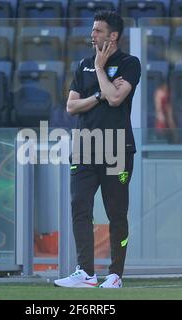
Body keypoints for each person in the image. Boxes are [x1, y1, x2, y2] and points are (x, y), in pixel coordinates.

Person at [54, 10, 141, 289]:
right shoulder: (83, 65)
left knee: (116, 212)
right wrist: (99, 94)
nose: (92, 35)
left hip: (117, 147)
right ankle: (86, 273)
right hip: (83, 147)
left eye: (98, 31)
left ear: (113, 36)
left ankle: (115, 274)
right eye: (92, 30)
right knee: (79, 205)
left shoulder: (130, 63)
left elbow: (116, 99)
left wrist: (101, 70)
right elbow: (71, 106)